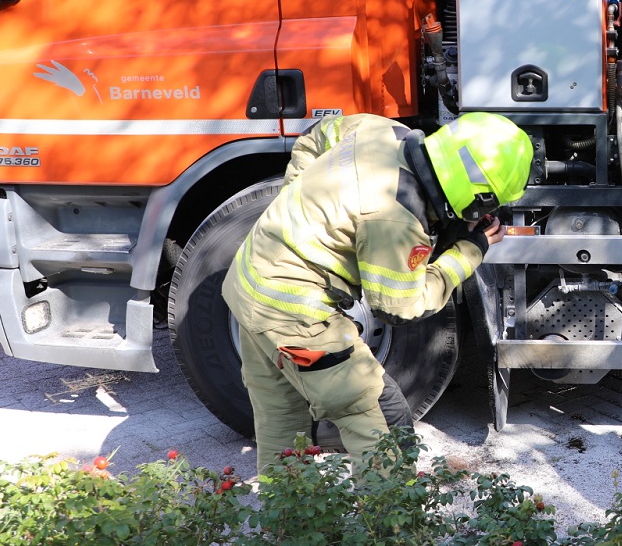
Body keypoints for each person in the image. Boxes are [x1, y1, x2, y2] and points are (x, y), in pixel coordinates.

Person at [223, 112, 533, 475]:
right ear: (477, 197)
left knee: (283, 422)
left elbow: (315, 134)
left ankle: (288, 520)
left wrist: (300, 205)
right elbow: (400, 307)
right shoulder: (397, 217)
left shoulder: (383, 130)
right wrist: (469, 249)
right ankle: (392, 526)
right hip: (298, 312)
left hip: (249, 285)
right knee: (382, 420)